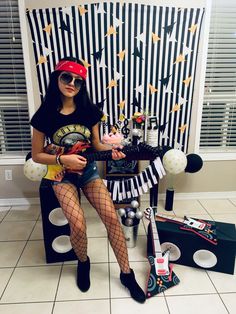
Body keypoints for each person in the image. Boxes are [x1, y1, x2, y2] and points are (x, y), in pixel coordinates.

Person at [30, 57, 146, 303]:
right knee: (78, 225)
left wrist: (111, 151)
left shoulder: (89, 111)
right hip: (61, 176)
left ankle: (126, 274)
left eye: (78, 81)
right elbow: (38, 155)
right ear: (57, 78)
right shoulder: (44, 115)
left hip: (89, 173)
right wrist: (64, 161)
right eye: (67, 77)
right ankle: (83, 263)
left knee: (112, 219)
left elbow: (97, 144)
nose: (72, 83)